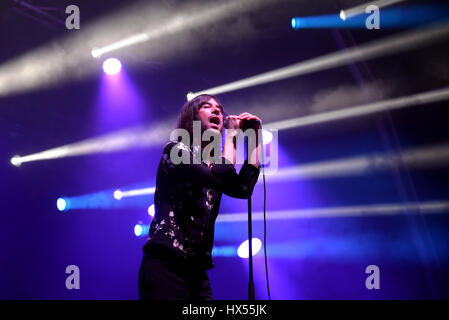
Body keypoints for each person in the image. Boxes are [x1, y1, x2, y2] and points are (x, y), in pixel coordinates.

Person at [138, 94, 262, 300]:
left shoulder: (215, 164)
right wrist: (231, 135)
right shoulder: (175, 151)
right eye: (207, 106)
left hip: (197, 274)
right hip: (164, 266)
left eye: (219, 109)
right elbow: (219, 174)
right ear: (192, 118)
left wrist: (255, 139)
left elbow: (244, 188)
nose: (216, 111)